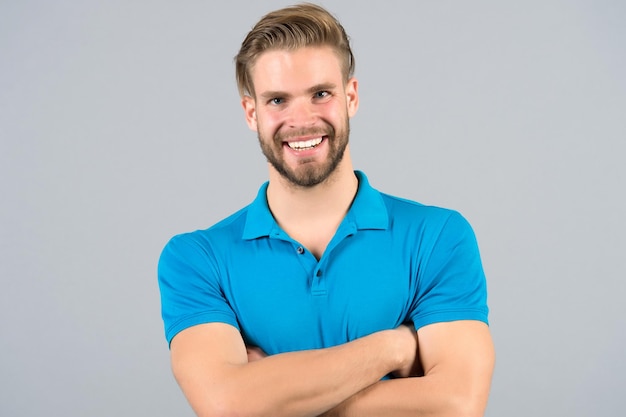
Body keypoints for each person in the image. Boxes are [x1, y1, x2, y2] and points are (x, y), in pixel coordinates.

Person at [158, 3, 495, 416]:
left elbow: (457, 405)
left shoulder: (438, 237)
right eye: (278, 100)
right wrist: (393, 347)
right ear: (252, 113)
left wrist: (275, 400)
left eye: (320, 94)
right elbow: (228, 406)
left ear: (350, 97)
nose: (301, 119)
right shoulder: (196, 259)